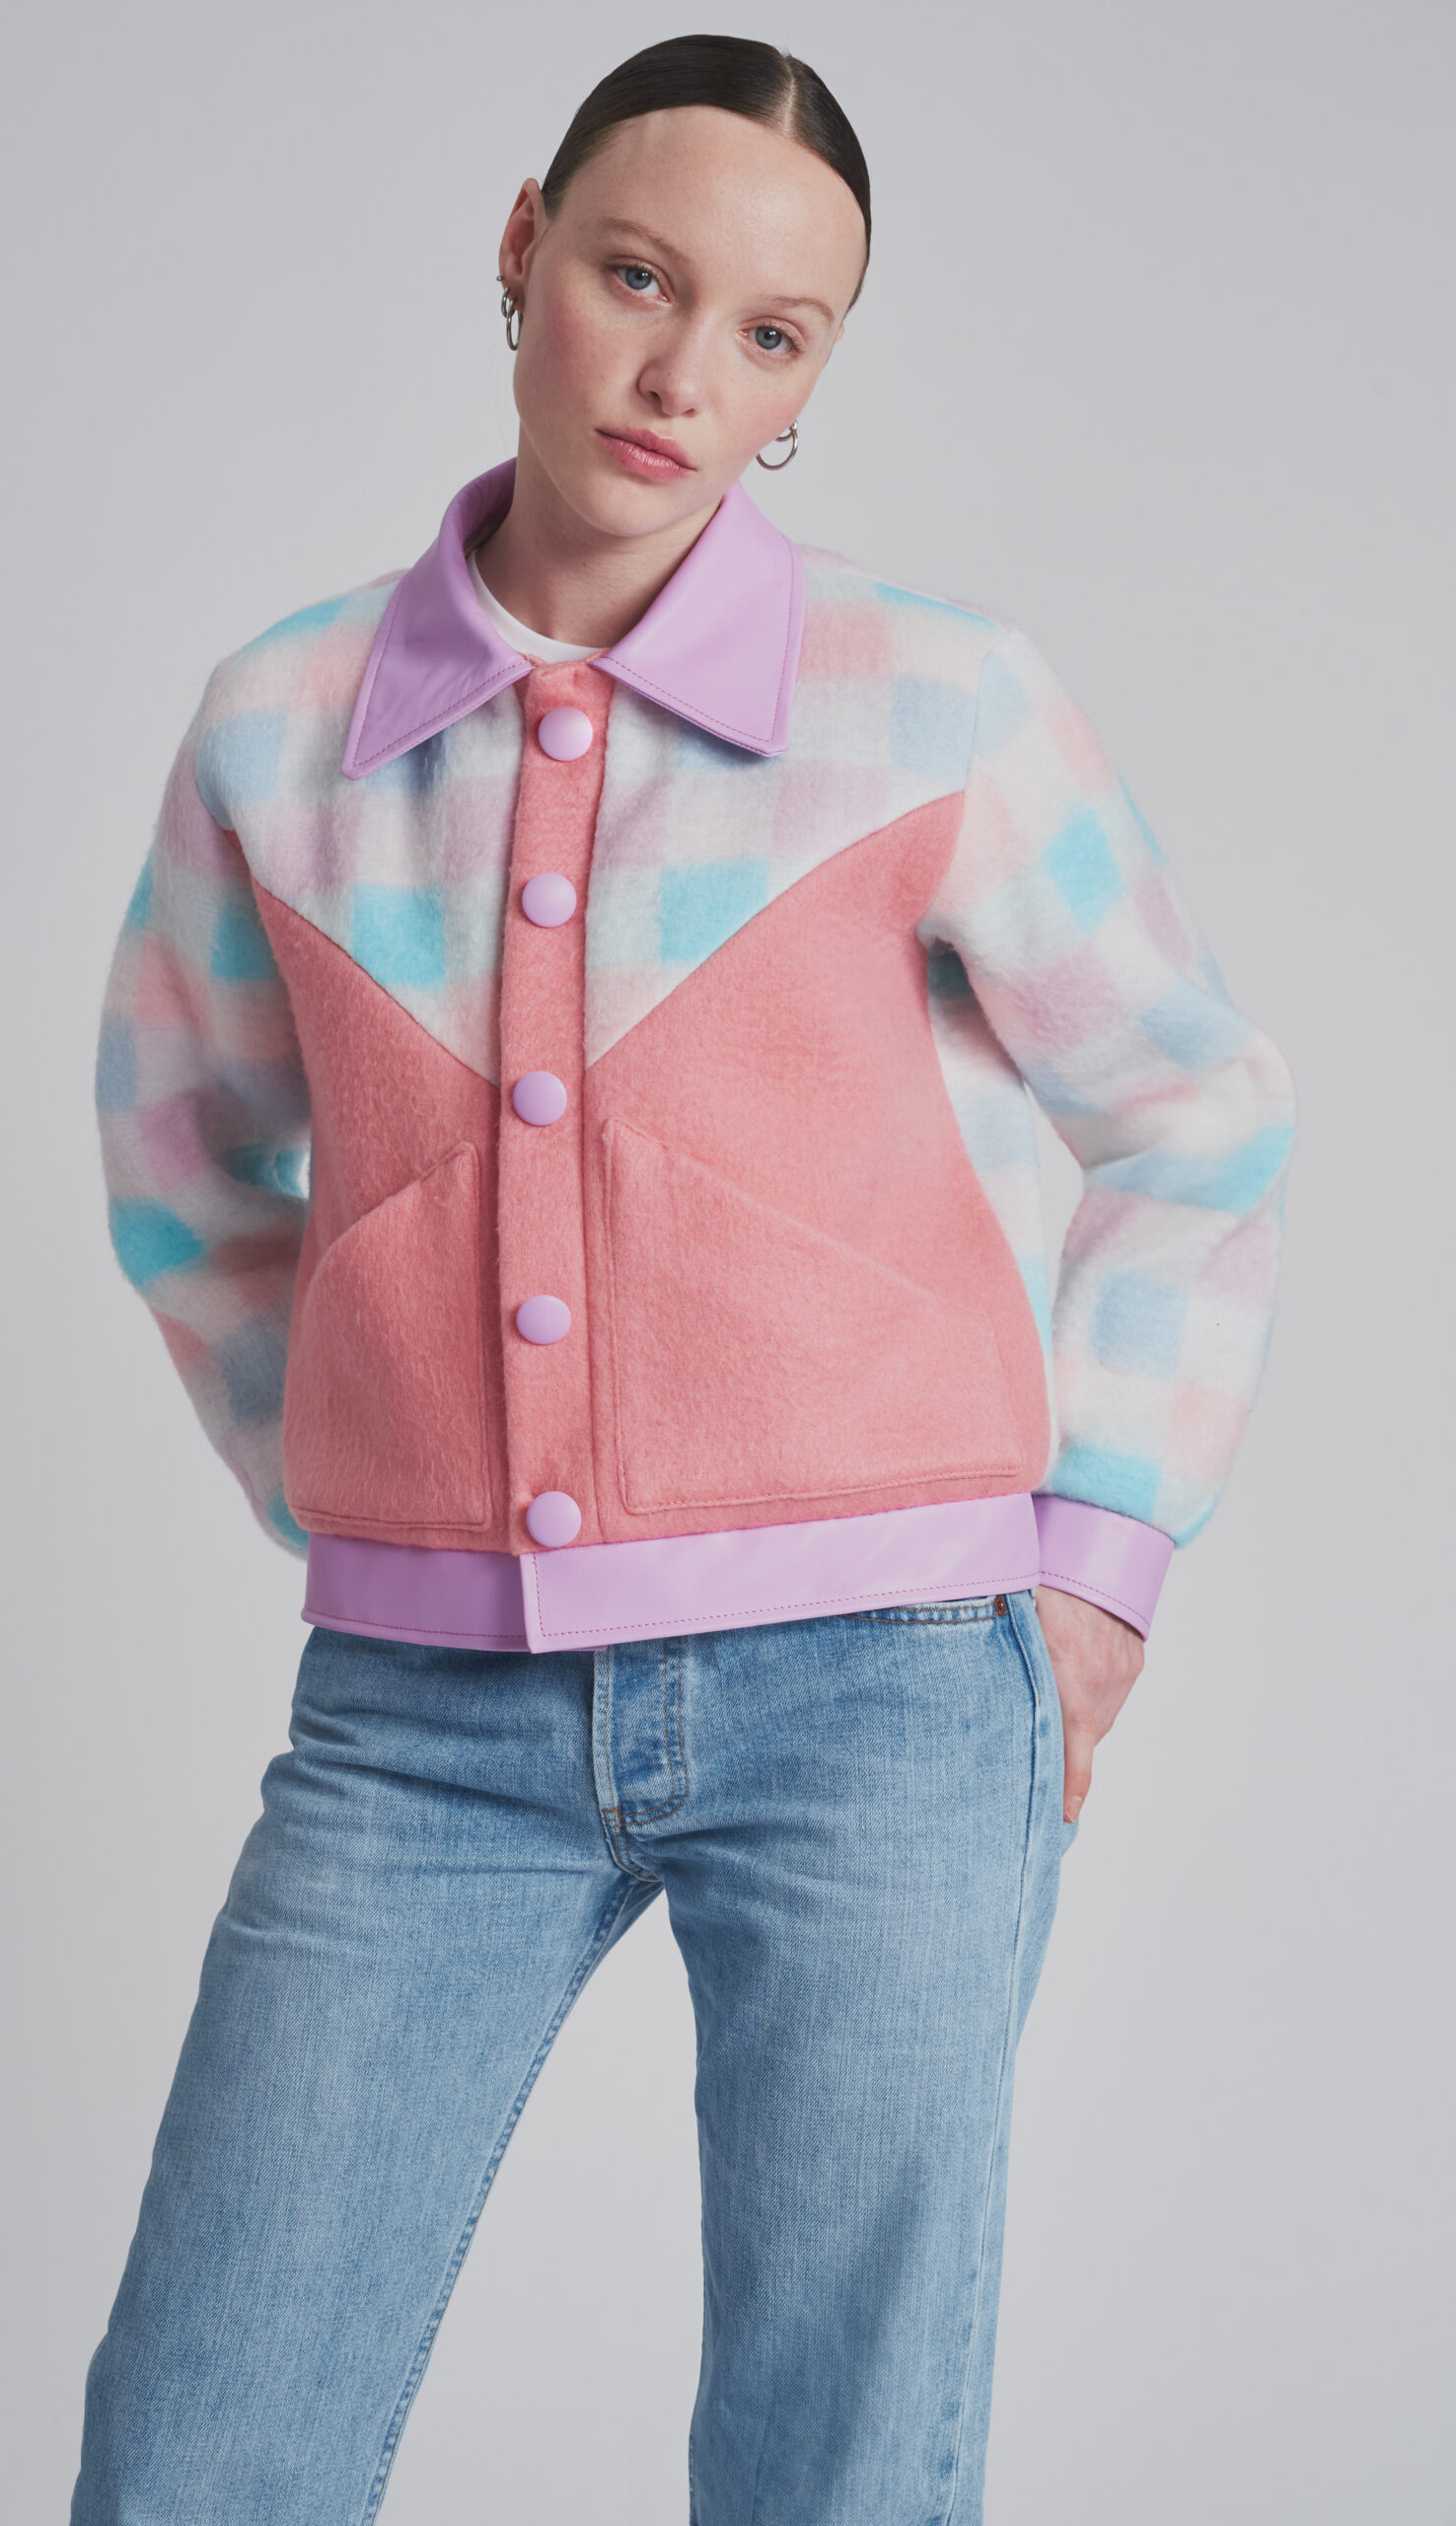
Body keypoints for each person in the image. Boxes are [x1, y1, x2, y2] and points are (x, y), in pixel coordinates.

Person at [73, 34, 1294, 2524]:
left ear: (813, 373)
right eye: (638, 277)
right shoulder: (282, 727)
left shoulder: (935, 702)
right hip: (420, 1719)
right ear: (523, 246)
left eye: (770, 332)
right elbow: (183, 1156)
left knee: (836, 2464)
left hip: (889, 1692)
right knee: (204, 2452)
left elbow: (1195, 1111)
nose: (682, 373)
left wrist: (1097, 1567)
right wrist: (370, 1475)